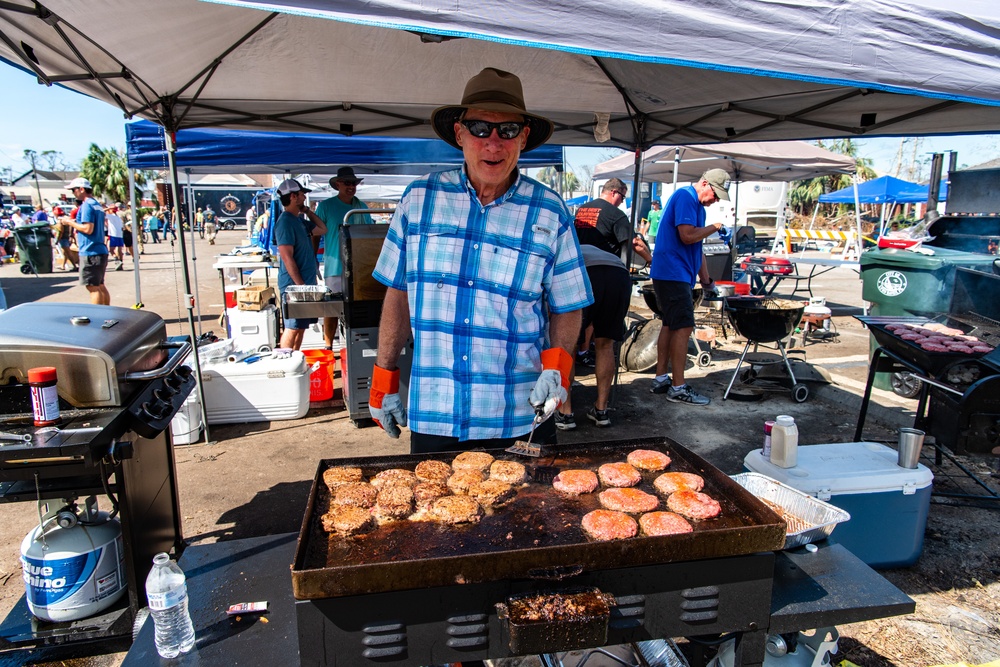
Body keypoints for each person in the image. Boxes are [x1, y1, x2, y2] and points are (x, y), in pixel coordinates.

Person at [369, 67, 593, 452]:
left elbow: (568, 304)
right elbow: (399, 294)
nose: (493, 142)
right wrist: (383, 376)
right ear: (459, 134)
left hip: (520, 414)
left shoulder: (550, 211)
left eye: (508, 130)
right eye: (479, 128)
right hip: (437, 412)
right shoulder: (418, 200)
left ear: (523, 137)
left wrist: (557, 367)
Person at [649, 168, 731, 405]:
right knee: (683, 328)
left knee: (670, 324)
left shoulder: (697, 207)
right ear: (705, 184)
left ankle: (661, 378)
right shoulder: (686, 196)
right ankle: (678, 387)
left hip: (674, 273)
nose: (715, 200)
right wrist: (716, 226)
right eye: (715, 194)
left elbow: (696, 248)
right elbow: (687, 236)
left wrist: (707, 281)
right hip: (673, 273)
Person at [556, 238, 651, 430]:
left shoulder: (564, 251)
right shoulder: (596, 250)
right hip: (619, 276)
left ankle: (566, 413)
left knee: (569, 346)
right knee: (605, 344)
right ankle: (601, 410)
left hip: (586, 273)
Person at [316, 166, 373, 349]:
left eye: (354, 183)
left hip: (359, 269)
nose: (351, 187)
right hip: (334, 267)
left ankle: (354, 348)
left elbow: (370, 235)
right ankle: (328, 347)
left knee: (357, 309)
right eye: (347, 183)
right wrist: (313, 259)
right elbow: (314, 235)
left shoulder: (362, 207)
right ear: (338, 184)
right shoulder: (325, 207)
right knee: (331, 309)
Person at [274, 179, 327, 350]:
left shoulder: (299, 220)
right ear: (293, 196)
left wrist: (307, 211)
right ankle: (285, 360)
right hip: (294, 287)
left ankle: (295, 357)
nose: (304, 197)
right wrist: (300, 287)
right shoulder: (285, 222)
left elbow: (323, 229)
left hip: (304, 286)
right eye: (302, 194)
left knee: (301, 327)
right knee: (292, 327)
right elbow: (287, 257)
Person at [65, 177, 110, 305]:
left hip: (90, 251)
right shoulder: (96, 205)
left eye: (73, 190)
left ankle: (98, 314)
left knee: (92, 287)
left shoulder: (86, 205)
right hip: (99, 249)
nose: (73, 193)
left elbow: (88, 229)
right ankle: (106, 312)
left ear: (81, 189)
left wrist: (69, 222)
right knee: (99, 285)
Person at [573, 178, 633, 260]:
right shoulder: (616, 214)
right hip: (605, 263)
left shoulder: (580, 209)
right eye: (622, 197)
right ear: (614, 193)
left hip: (581, 261)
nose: (622, 201)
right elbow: (634, 242)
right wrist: (649, 259)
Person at [53, 206, 78, 271]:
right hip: (68, 236)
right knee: (65, 253)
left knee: (68, 252)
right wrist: (71, 235)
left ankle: (74, 266)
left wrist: (57, 240)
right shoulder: (67, 218)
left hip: (63, 238)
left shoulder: (60, 220)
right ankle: (63, 265)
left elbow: (60, 231)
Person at [105, 204, 125, 270]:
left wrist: (108, 208)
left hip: (113, 234)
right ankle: (121, 262)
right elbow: (122, 227)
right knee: (119, 250)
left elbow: (101, 212)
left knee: (111, 250)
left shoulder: (111, 216)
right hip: (120, 235)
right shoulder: (118, 218)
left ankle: (117, 260)